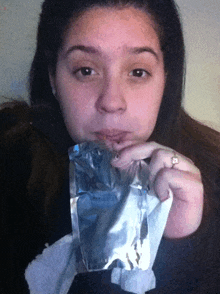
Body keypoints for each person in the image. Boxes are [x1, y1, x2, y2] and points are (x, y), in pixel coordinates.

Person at [1, 0, 220, 293]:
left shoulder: (215, 174)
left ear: (166, 78)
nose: (111, 102)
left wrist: (181, 243)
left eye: (138, 72)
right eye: (86, 71)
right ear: (53, 77)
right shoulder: (10, 163)